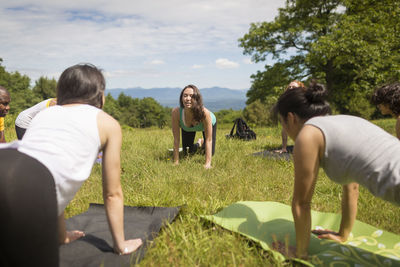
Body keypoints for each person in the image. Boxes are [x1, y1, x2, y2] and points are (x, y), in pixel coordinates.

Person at [0, 64, 142, 267]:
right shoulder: (108, 123)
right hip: (29, 185)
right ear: (100, 96)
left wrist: (62, 237)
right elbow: (112, 194)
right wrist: (120, 245)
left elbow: (51, 175)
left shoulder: (44, 114)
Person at [273, 81, 400, 260]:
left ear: (291, 118)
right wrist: (343, 235)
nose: (285, 128)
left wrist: (300, 253)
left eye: (282, 122)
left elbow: (302, 203)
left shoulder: (308, 134)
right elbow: (352, 187)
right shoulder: (345, 121)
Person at [171, 84, 217, 169]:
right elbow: (176, 139)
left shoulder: (205, 113)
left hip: (208, 124)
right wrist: (176, 161)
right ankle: (199, 142)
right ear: (181, 98)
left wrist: (207, 164)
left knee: (210, 152)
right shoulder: (176, 112)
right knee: (187, 152)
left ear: (197, 98)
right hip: (188, 128)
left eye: (191, 96)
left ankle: (203, 142)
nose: (188, 99)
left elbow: (209, 140)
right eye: (185, 95)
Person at [275, 80, 304, 153]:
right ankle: (284, 148)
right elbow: (284, 127)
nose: (291, 88)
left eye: (293, 87)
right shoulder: (286, 100)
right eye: (289, 87)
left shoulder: (304, 99)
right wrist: (284, 148)